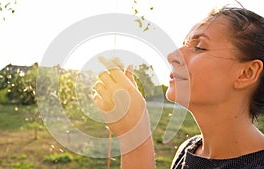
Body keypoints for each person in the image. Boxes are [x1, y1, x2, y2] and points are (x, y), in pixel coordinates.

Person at [93, 6, 264, 169]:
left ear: (247, 73)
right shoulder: (189, 150)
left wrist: (135, 137)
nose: (172, 56)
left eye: (199, 47)